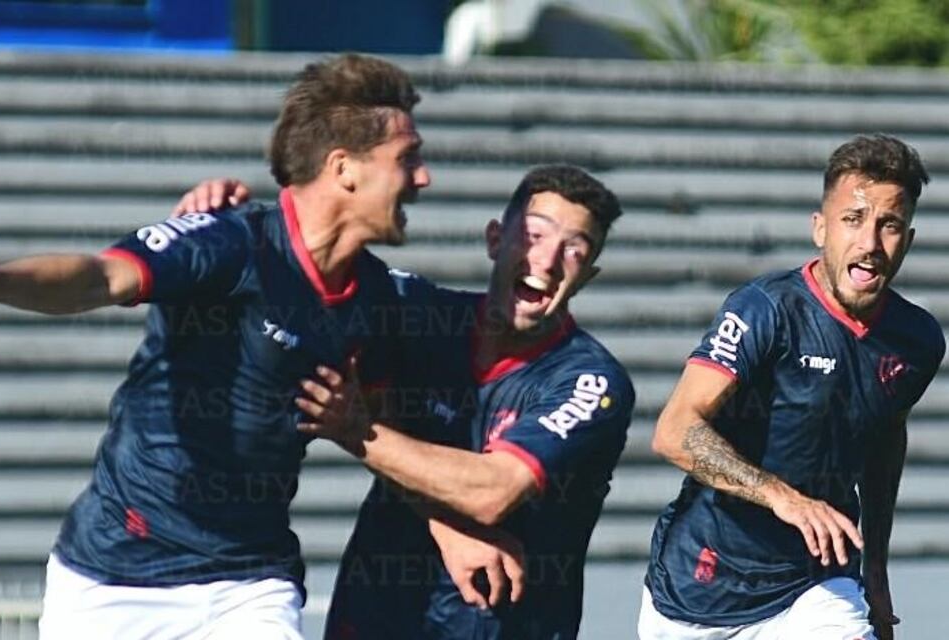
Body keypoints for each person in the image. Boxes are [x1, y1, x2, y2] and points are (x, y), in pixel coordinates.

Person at [0, 53, 429, 639]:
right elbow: (101, 277)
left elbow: (403, 436)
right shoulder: (226, 243)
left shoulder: (380, 300)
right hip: (115, 579)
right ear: (344, 168)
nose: (423, 178)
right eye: (407, 158)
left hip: (250, 584)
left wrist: (458, 528)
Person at [181, 165, 635, 639]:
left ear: (588, 275)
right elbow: (298, 274)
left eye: (574, 250)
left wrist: (358, 432)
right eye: (534, 235)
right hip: (377, 611)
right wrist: (222, 222)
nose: (545, 261)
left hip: (501, 625)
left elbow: (490, 492)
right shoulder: (420, 314)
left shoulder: (591, 381)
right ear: (495, 239)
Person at [640, 134, 944, 640]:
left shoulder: (916, 340)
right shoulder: (766, 310)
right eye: (853, 220)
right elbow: (674, 430)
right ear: (820, 229)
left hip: (816, 583)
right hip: (701, 585)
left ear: (907, 240)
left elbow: (885, 440)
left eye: (889, 225)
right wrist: (782, 496)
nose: (869, 244)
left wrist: (876, 568)